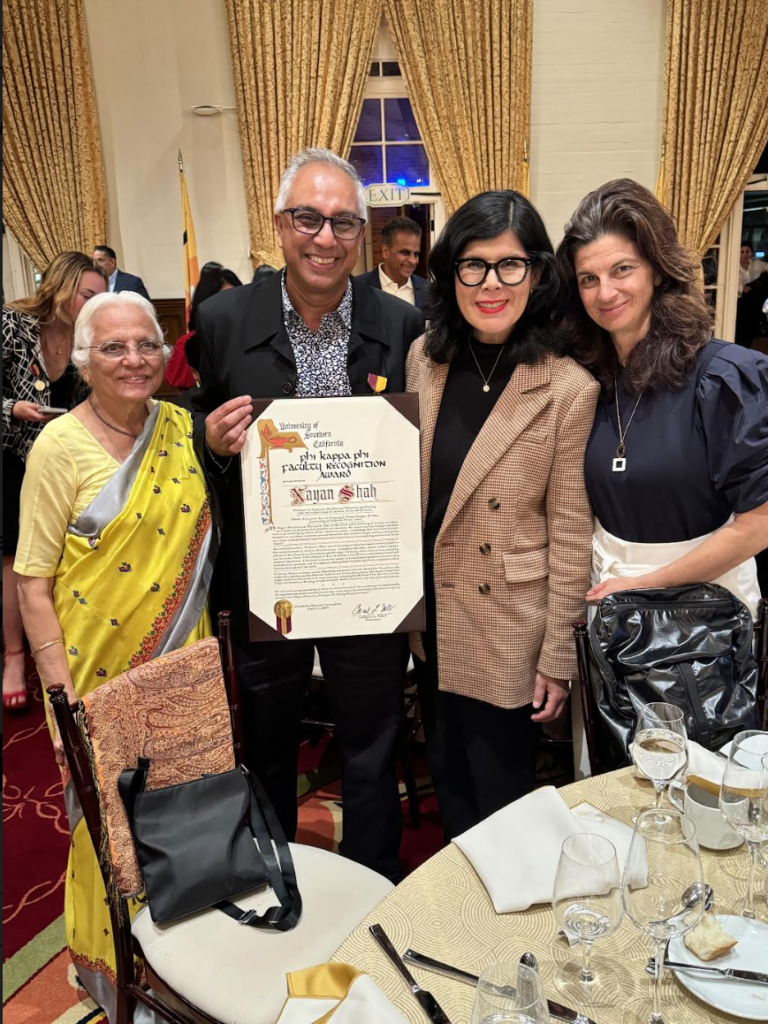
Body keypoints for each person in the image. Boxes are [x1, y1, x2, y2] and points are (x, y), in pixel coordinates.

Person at [193, 147, 424, 881]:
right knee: (267, 740)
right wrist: (213, 445)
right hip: (273, 579)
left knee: (372, 741)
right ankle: (272, 881)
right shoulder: (224, 320)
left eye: (343, 223)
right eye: (308, 219)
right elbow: (193, 444)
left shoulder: (400, 324)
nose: (325, 238)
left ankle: (371, 885)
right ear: (279, 224)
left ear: (363, 233)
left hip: (367, 574)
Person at [15, 290, 212, 1018]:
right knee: (110, 832)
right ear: (85, 360)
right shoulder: (57, 448)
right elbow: (33, 583)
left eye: (146, 345)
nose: (134, 360)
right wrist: (59, 691)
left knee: (183, 819)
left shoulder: (183, 430)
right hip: (91, 679)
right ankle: (120, 974)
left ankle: (184, 964)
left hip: (179, 669)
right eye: (113, 348)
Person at [407, 190, 599, 840]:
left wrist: (558, 656)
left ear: (539, 273)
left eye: (510, 265)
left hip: (511, 623)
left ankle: (507, 934)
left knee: (503, 800)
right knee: (448, 781)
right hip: (433, 613)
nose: (491, 283)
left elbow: (572, 533)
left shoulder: (568, 387)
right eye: (474, 264)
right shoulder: (425, 361)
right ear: (450, 272)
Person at [556, 179, 767, 620]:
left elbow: (761, 521)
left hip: (702, 616)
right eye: (588, 279)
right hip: (611, 605)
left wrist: (646, 584)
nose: (605, 293)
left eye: (622, 270)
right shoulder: (588, 381)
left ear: (656, 269)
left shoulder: (722, 377)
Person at [3, 252, 108, 711]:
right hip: (9, 454)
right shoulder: (11, 324)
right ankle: (12, 654)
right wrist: (11, 410)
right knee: (15, 558)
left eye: (98, 299)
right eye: (86, 295)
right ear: (62, 285)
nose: (91, 307)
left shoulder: (87, 339)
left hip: (62, 462)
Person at [165, 264, 243, 389]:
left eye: (237, 298)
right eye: (223, 300)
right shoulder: (189, 342)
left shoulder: (252, 337)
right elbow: (178, 383)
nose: (231, 306)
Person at [357, 215, 428, 309]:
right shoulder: (358, 288)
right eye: (405, 253)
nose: (413, 261)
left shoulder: (428, 291)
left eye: (416, 254)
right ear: (385, 252)